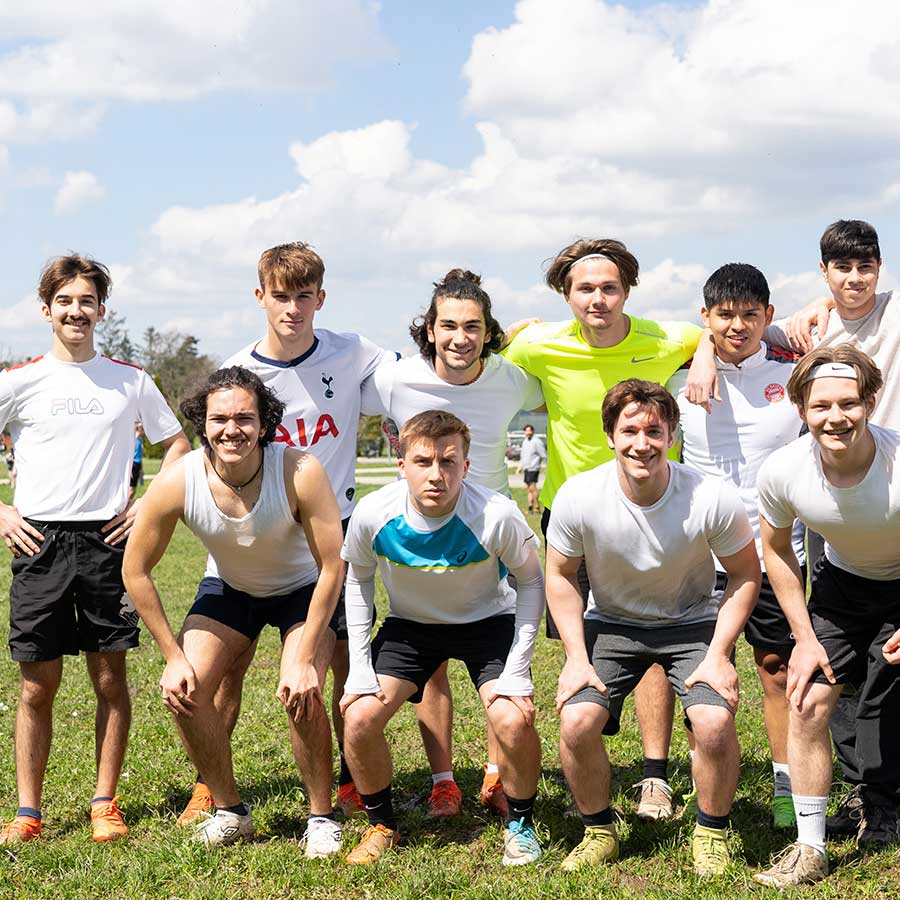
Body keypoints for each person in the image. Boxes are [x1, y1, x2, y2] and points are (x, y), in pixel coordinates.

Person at [176, 242, 394, 825]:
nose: (292, 308)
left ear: (321, 298)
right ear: (260, 297)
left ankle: (350, 777)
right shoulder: (238, 373)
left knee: (340, 659)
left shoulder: (353, 352)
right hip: (251, 535)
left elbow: (418, 377)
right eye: (280, 296)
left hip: (329, 537)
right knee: (228, 667)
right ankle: (209, 783)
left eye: (304, 296)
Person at [503, 238, 704, 819]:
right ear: (566, 296)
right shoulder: (538, 344)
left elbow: (718, 333)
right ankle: (590, 780)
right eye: (585, 288)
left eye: (609, 287)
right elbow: (477, 350)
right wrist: (510, 331)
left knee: (655, 638)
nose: (598, 299)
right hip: (574, 519)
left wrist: (708, 356)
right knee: (583, 646)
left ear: (627, 292)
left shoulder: (667, 338)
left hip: (656, 511)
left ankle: (655, 777)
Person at [0, 255, 189, 845]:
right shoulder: (18, 381)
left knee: (110, 680)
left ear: (101, 310)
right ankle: (28, 812)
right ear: (46, 310)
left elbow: (178, 445)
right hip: (40, 543)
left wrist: (146, 505)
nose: (75, 311)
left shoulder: (130, 380)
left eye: (86, 301)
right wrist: (2, 511)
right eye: (64, 301)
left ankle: (104, 803)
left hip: (108, 544)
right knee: (37, 686)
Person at [122, 366, 346, 851]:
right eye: (219, 419)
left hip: (302, 588)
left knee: (301, 691)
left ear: (264, 424)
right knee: (185, 691)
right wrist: (173, 657)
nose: (232, 429)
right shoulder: (178, 480)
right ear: (202, 423)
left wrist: (305, 658)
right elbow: (135, 570)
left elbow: (333, 566)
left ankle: (321, 817)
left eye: (245, 418)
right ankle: (230, 811)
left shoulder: (299, 470)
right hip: (231, 587)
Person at [546, 379, 760, 876]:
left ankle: (711, 833)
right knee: (576, 722)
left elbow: (746, 575)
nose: (642, 444)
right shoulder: (578, 495)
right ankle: (599, 832)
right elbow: (559, 575)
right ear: (609, 436)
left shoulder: (710, 496)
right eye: (629, 431)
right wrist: (575, 658)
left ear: (672, 436)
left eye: (654, 431)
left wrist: (719, 654)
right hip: (612, 623)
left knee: (713, 722)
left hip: (692, 623)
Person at [360, 268, 544, 818]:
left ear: (489, 332)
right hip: (421, 528)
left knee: (496, 660)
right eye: (448, 326)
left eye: (473, 327)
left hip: (490, 535)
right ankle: (443, 780)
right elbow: (341, 398)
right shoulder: (396, 380)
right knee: (431, 663)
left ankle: (496, 774)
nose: (460, 338)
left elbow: (560, 387)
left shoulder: (512, 379)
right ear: (430, 329)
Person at [339, 411, 545, 867]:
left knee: (513, 719)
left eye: (448, 461)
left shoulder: (495, 514)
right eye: (423, 461)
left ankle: (521, 824)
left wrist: (517, 671)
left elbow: (532, 581)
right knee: (359, 718)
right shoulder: (374, 513)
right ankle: (382, 825)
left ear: (466, 466)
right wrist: (358, 668)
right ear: (402, 464)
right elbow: (358, 581)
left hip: (488, 623)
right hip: (411, 627)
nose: (436, 474)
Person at [763, 220, 900, 844]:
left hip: (888, 492)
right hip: (839, 527)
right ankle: (841, 804)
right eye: (841, 268)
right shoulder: (806, 331)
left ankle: (882, 795)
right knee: (822, 680)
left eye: (865, 266)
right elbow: (734, 331)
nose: (854, 278)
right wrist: (803, 636)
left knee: (886, 677)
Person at [667, 263, 804, 828]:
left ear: (769, 315)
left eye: (750, 314)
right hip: (701, 554)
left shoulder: (794, 374)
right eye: (724, 315)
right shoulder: (677, 377)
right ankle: (698, 774)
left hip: (775, 551)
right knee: (697, 673)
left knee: (776, 668)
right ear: (705, 316)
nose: (738, 326)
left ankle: (786, 785)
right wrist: (702, 352)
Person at [516, 424, 546, 515]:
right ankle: (530, 508)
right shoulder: (525, 442)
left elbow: (543, 455)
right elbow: (523, 456)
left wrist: (543, 466)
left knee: (533, 488)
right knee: (528, 489)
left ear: (532, 431)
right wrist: (520, 467)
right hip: (527, 468)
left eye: (529, 430)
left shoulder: (537, 442)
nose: (528, 432)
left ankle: (537, 508)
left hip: (533, 468)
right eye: (526, 431)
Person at [129, 423, 144, 501]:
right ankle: (123, 506)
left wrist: (141, 469)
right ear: (139, 429)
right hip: (133, 465)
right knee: (131, 490)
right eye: (143, 429)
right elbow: (129, 455)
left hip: (138, 465)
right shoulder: (133, 440)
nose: (144, 431)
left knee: (133, 490)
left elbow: (140, 455)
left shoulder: (139, 440)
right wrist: (130, 469)